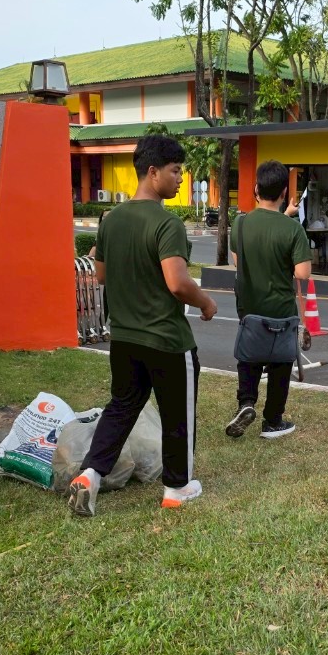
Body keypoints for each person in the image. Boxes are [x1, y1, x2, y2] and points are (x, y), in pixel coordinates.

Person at [69, 134, 217, 515]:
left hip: (123, 339)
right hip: (167, 341)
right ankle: (177, 488)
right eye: (175, 171)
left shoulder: (111, 220)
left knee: (121, 407)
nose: (181, 179)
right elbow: (177, 282)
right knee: (177, 415)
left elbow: (101, 275)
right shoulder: (167, 224)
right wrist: (206, 302)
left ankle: (90, 475)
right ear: (153, 172)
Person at [225, 159, 312, 441]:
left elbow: (237, 261)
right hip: (281, 310)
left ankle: (246, 402)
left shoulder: (240, 224)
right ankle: (273, 421)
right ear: (284, 192)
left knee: (249, 357)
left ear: (256, 189)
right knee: (280, 364)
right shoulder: (293, 230)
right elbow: (302, 273)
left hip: (250, 308)